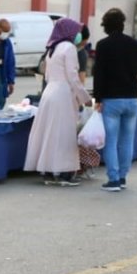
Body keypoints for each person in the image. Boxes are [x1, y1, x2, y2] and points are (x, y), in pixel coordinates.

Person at [24, 18, 93, 186]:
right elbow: (73, 77)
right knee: (64, 135)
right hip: (62, 94)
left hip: (49, 93)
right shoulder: (69, 48)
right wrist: (85, 98)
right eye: (76, 31)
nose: (78, 35)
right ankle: (64, 173)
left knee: (49, 133)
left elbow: (48, 76)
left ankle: (47, 171)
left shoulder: (51, 49)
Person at [93, 8, 137, 191]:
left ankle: (113, 180)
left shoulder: (103, 45)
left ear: (106, 26)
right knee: (127, 140)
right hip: (131, 99)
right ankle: (123, 176)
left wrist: (98, 98)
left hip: (111, 100)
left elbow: (99, 74)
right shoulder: (134, 44)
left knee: (111, 141)